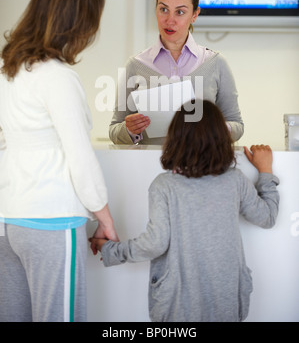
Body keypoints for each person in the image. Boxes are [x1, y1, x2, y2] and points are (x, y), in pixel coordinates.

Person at [91, 99, 280, 323]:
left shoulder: (164, 185)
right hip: (227, 302)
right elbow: (267, 217)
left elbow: (154, 243)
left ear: (176, 138)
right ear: (222, 138)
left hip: (177, 307)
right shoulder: (235, 181)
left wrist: (111, 250)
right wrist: (265, 171)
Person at [0, 0, 119, 322]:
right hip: (50, 220)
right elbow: (79, 157)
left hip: (9, 219)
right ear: (77, 24)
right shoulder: (59, 77)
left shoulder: (8, 71)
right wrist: (105, 219)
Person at [109, 0, 244, 145]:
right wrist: (129, 130)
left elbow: (237, 126)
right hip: (152, 168)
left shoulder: (216, 63)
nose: (169, 20)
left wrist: (218, 128)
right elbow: (114, 130)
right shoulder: (135, 66)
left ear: (195, 14)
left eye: (180, 12)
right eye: (163, 9)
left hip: (202, 168)